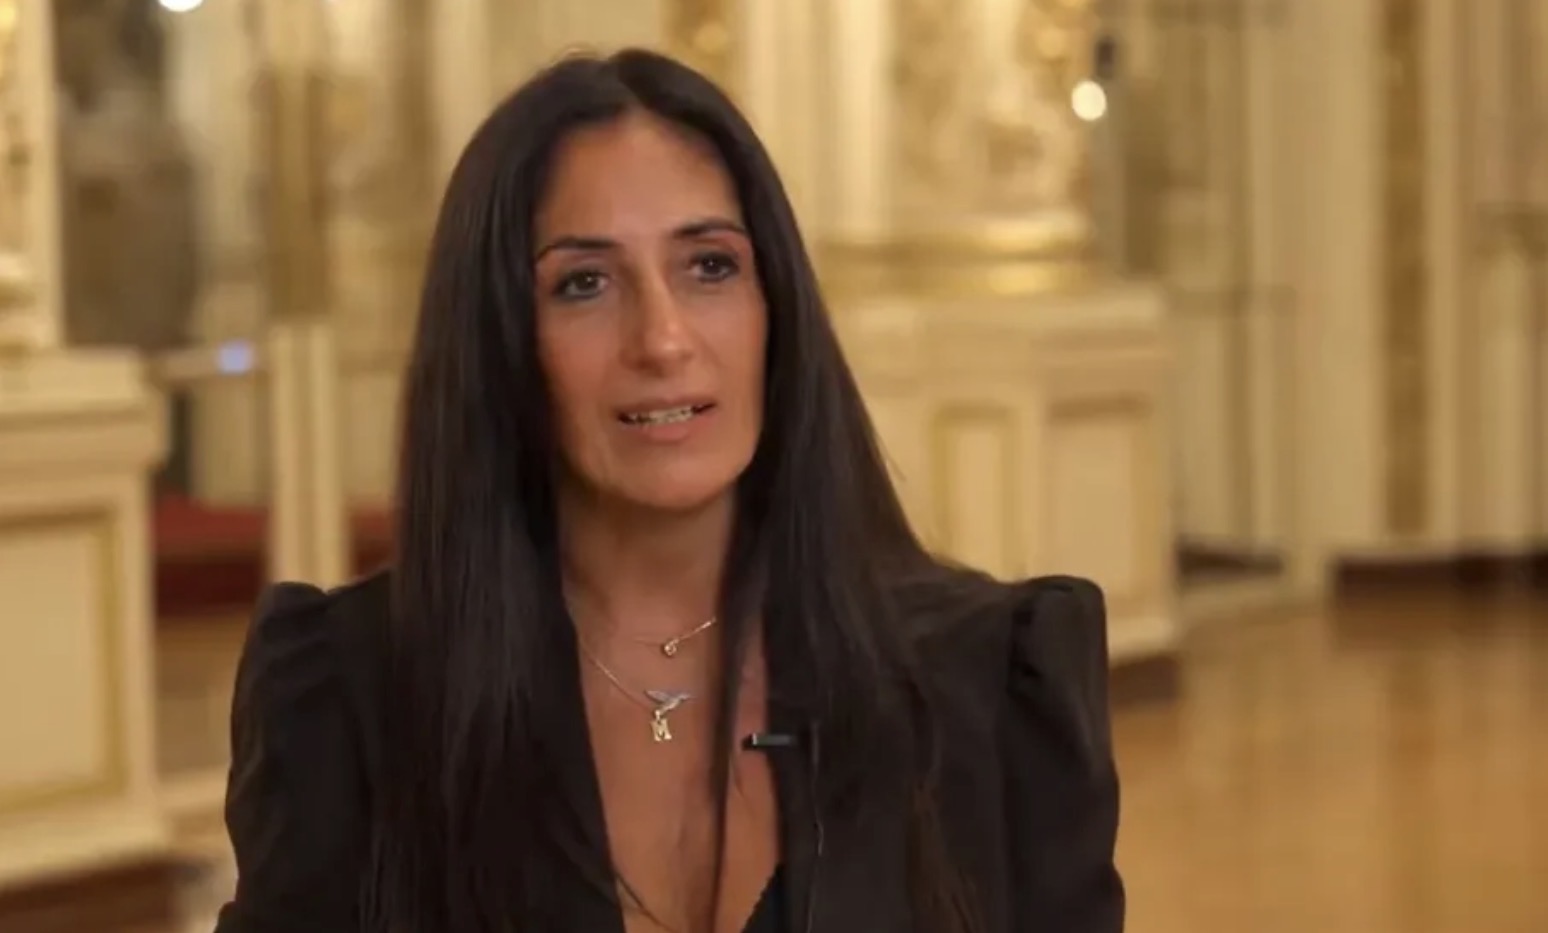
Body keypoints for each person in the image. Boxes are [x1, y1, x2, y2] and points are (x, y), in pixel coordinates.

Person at [214, 48, 1123, 933]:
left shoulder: (988, 686)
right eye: (584, 284)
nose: (663, 339)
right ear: (499, 340)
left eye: (710, 266)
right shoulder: (349, 702)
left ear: (775, 307)